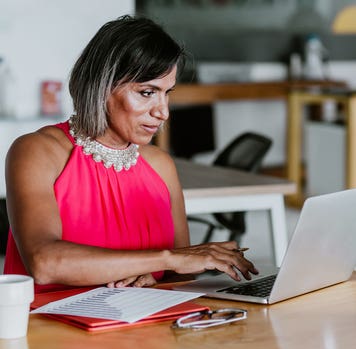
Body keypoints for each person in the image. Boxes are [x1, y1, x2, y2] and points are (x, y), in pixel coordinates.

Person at [4, 15, 258, 293]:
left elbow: (181, 273)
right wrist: (164, 259)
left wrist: (156, 277)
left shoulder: (160, 165)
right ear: (101, 87)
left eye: (166, 93)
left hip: (142, 327)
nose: (163, 112)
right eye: (147, 92)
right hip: (54, 329)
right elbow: (45, 263)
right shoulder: (37, 152)